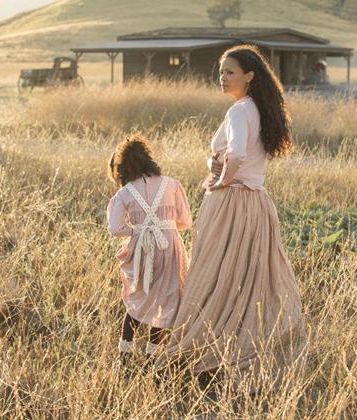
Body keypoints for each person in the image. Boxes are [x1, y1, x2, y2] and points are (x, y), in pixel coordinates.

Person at [157, 44, 307, 388]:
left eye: (230, 72)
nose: (222, 78)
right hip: (256, 203)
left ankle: (203, 346)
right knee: (248, 277)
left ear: (249, 76)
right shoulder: (259, 109)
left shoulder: (240, 111)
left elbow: (237, 154)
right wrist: (220, 166)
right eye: (221, 72)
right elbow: (242, 155)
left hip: (231, 201)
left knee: (213, 272)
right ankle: (239, 342)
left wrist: (221, 180)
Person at [106, 134, 192, 364]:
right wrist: (166, 226)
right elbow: (185, 222)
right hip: (171, 247)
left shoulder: (124, 193)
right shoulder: (171, 184)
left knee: (138, 300)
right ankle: (152, 358)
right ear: (148, 159)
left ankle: (124, 357)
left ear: (123, 166)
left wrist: (137, 230)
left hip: (142, 248)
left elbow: (115, 229)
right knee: (166, 300)